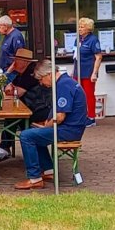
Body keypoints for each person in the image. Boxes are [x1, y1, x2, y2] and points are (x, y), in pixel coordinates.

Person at [15, 60, 91, 190]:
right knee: (33, 132)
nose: (41, 83)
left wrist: (45, 127)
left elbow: (60, 117)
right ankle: (49, 170)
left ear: (49, 74)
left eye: (40, 79)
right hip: (69, 127)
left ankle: (35, 178)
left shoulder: (63, 86)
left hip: (68, 130)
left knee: (26, 136)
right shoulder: (64, 83)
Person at [1, 49, 51, 153]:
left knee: (14, 118)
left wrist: (11, 82)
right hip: (29, 107)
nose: (14, 63)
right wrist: (10, 82)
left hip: (39, 109)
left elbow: (16, 92)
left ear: (25, 62)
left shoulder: (30, 73)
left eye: (17, 60)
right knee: (11, 117)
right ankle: (5, 147)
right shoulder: (21, 73)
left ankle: (7, 148)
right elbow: (9, 88)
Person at [74, 17, 103, 123]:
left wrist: (94, 73)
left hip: (88, 72)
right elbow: (75, 56)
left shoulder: (93, 40)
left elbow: (98, 57)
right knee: (77, 95)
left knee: (88, 94)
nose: (79, 29)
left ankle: (91, 117)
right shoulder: (78, 39)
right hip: (78, 71)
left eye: (82, 27)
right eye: (79, 26)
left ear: (88, 29)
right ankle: (81, 116)